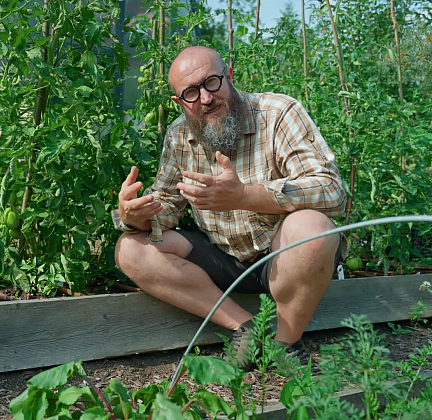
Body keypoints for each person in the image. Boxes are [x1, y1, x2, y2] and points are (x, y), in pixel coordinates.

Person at [112, 46, 346, 371]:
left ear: (230, 76)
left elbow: (332, 190)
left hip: (283, 257)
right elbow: (166, 207)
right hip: (224, 259)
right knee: (130, 249)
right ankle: (248, 328)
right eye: (192, 93)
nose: (206, 98)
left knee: (312, 229)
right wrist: (134, 215)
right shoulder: (180, 135)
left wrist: (246, 196)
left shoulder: (278, 112)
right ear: (180, 103)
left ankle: (285, 342)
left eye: (211, 82)